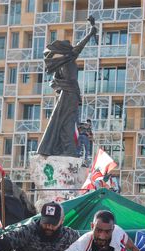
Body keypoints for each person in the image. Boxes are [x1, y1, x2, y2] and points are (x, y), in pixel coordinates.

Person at [37, 18, 98, 157]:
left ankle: (66, 148)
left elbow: (80, 46)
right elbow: (79, 46)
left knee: (64, 121)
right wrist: (90, 32)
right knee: (64, 121)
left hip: (70, 94)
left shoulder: (68, 58)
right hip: (68, 94)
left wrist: (90, 32)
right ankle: (66, 148)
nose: (72, 48)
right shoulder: (66, 59)